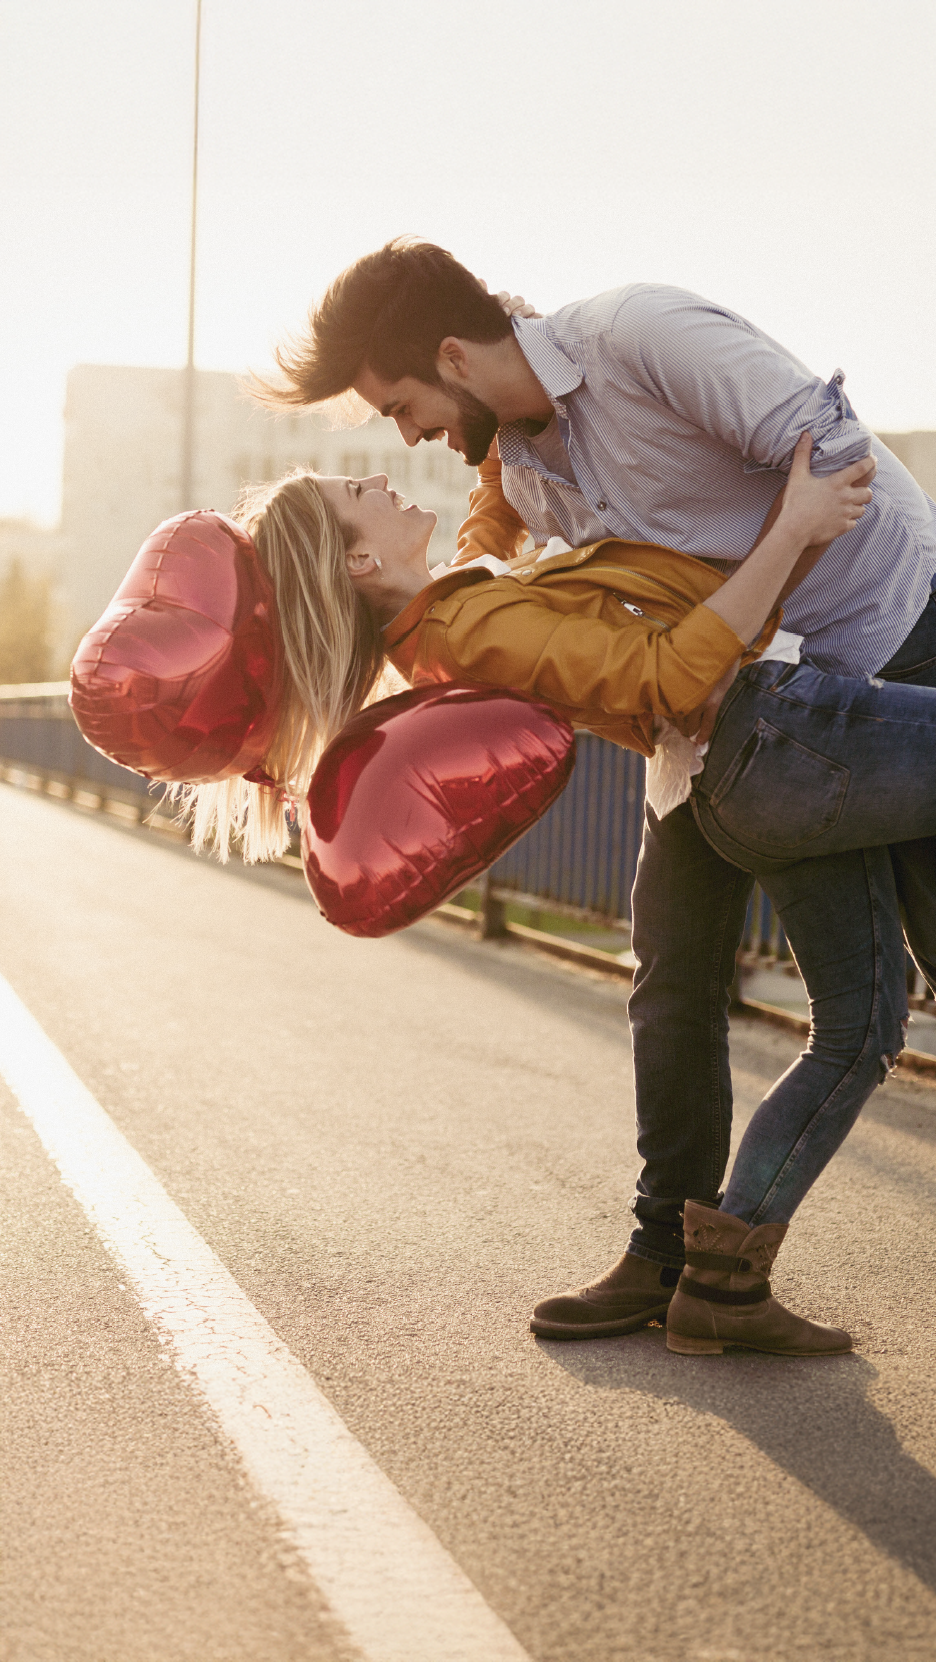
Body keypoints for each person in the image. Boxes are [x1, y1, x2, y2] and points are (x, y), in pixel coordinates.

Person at [252, 239, 936, 1344]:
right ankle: (680, 1261)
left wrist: (768, 584)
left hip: (868, 643)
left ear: (452, 357)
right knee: (700, 984)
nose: (405, 438)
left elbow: (834, 447)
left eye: (402, 406)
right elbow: (564, 620)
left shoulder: (635, 340)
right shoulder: (510, 486)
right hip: (743, 712)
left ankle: (704, 1274)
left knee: (857, 1008)